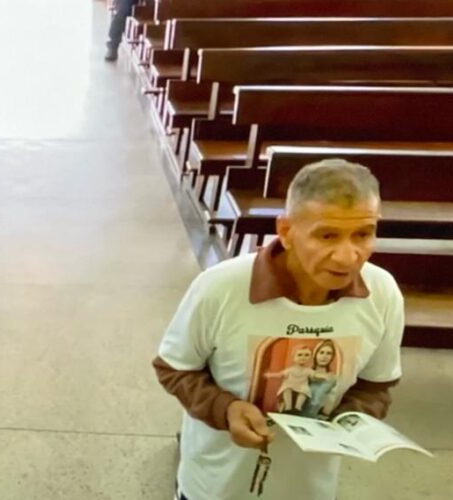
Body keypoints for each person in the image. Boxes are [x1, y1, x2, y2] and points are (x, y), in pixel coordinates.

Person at [153, 159, 404, 500]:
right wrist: (225, 408)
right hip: (216, 483)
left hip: (309, 486)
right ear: (286, 232)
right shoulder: (221, 288)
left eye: (363, 234)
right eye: (327, 235)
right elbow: (174, 367)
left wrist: (351, 421)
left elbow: (376, 385)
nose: (348, 257)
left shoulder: (382, 293)